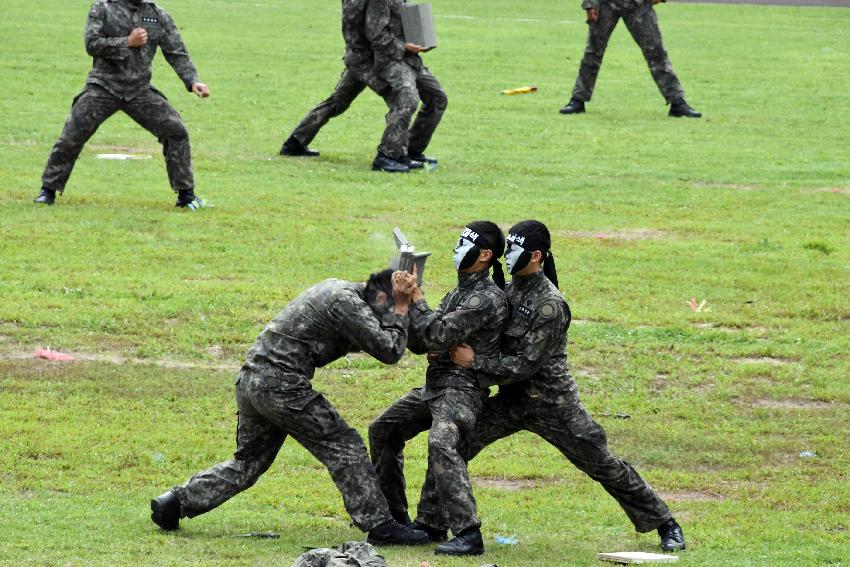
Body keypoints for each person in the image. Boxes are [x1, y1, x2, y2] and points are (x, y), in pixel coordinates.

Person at [445, 220, 686, 552]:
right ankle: (436, 523)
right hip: (512, 400)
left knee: (603, 464)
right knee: (452, 446)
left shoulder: (550, 305)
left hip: (552, 405)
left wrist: (475, 362)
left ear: (536, 256)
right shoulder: (510, 289)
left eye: (515, 249)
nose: (508, 255)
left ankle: (665, 523)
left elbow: (526, 365)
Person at [150, 269, 429, 546]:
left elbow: (402, 338)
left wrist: (412, 306)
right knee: (344, 445)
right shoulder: (348, 305)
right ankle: (380, 526)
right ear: (381, 297)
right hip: (282, 385)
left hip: (252, 380)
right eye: (387, 308)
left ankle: (175, 502)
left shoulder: (340, 291)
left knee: (248, 463)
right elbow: (390, 349)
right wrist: (402, 306)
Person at [368, 222, 509, 556]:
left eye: (465, 242)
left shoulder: (485, 298)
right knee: (383, 430)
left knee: (443, 442)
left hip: (461, 389)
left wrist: (417, 299)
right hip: (436, 384)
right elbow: (424, 340)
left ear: (485, 255)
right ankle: (400, 519)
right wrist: (407, 304)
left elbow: (437, 334)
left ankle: (468, 533)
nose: (458, 247)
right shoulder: (458, 292)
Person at [34, 0, 210, 208]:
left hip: (140, 91)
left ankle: (186, 195)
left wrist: (192, 81)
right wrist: (127, 41)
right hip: (103, 87)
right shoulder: (102, 8)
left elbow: (176, 51)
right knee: (71, 136)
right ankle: (48, 191)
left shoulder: (157, 14)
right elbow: (92, 44)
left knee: (176, 131)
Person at [559, 0, 701, 118]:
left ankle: (677, 102)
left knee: (656, 53)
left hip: (638, 5)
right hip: (606, 4)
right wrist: (590, 4)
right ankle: (578, 100)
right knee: (593, 52)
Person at [365, 0, 447, 172]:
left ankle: (411, 150)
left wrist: (423, 40)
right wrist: (404, 47)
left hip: (410, 59)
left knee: (437, 98)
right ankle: (386, 156)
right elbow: (375, 35)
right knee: (408, 99)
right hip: (389, 60)